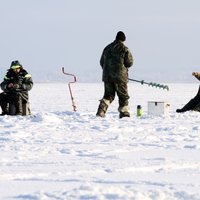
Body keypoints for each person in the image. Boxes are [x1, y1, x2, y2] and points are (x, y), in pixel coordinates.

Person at [96, 31, 134, 118]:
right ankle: (124, 113)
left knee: (108, 95)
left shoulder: (106, 48)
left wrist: (108, 71)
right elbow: (129, 63)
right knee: (123, 96)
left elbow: (102, 62)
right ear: (123, 39)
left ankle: (101, 111)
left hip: (107, 77)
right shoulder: (124, 49)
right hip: (120, 77)